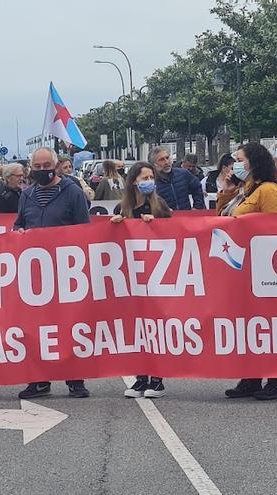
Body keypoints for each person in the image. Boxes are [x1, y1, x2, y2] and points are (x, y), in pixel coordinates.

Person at [14, 147, 91, 399]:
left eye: (46, 165)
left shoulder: (73, 193)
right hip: (36, 274)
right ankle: (39, 380)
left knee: (69, 325)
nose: (42, 170)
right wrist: (18, 233)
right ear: (30, 168)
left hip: (66, 272)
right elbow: (19, 224)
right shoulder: (27, 196)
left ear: (56, 166)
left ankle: (75, 379)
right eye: (37, 167)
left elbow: (84, 229)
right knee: (36, 327)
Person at [220, 143, 277, 400]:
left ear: (254, 162)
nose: (235, 164)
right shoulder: (245, 190)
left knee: (268, 324)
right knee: (248, 325)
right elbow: (222, 221)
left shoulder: (269, 191)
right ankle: (251, 376)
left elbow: (276, 229)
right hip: (242, 268)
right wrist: (226, 193)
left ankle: (276, 379)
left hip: (262, 268)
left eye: (239, 159)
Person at [110, 162, 171, 398]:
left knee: (154, 327)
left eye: (151, 176)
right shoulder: (121, 207)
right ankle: (140, 378)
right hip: (131, 278)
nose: (149, 180)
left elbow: (175, 233)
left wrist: (155, 225)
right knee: (135, 328)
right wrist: (115, 225)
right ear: (133, 180)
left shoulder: (159, 205)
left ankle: (157, 379)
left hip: (155, 276)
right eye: (144, 176)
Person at [150, 146, 205, 210]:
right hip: (164, 218)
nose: (166, 162)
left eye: (167, 158)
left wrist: (197, 207)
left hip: (186, 217)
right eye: (162, 160)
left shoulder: (183, 174)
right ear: (154, 164)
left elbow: (197, 187)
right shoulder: (151, 182)